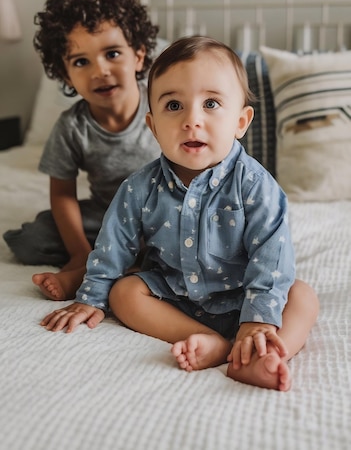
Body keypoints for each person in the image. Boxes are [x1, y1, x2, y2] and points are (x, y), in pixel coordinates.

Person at [40, 36, 319, 391]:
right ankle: (211, 343)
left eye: (212, 103)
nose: (192, 120)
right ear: (153, 126)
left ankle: (268, 351)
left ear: (241, 121)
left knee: (302, 295)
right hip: (174, 299)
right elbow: (112, 249)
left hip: (244, 294)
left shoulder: (257, 187)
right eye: (174, 106)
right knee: (123, 293)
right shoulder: (139, 188)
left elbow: (271, 257)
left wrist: (258, 319)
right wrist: (90, 298)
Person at [3, 0, 161, 301]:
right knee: (32, 239)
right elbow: (62, 194)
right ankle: (100, 263)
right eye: (81, 62)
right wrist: (78, 252)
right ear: (66, 75)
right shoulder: (72, 126)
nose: (99, 70)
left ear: (139, 55)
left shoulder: (166, 106)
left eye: (113, 53)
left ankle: (123, 265)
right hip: (106, 215)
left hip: (166, 215)